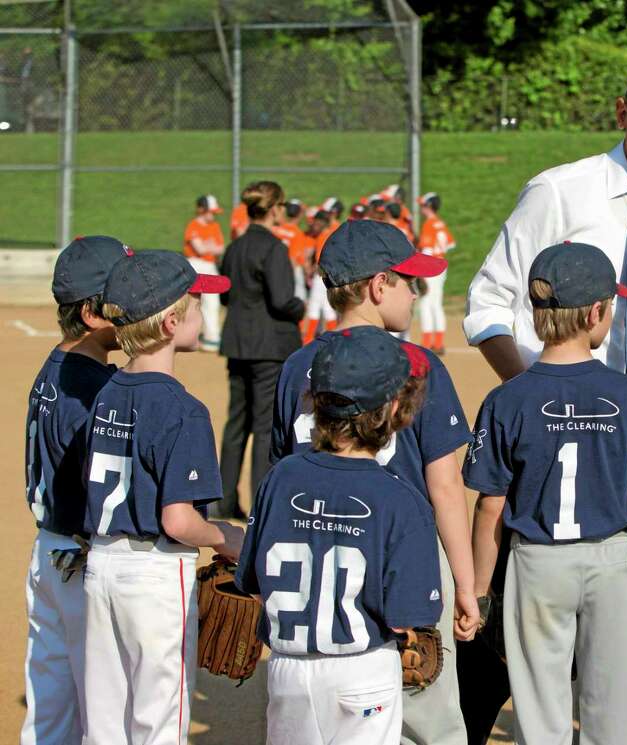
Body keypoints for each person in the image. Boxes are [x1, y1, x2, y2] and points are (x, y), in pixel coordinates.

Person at [461, 56, 627, 738]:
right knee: (506, 641)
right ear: (622, 114)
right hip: (546, 425)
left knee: (626, 650)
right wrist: (535, 394)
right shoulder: (559, 191)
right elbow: (488, 303)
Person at [270, 219, 479, 745]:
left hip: (315, 553)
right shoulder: (419, 364)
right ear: (377, 285)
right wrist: (465, 581)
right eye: (410, 281)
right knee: (427, 718)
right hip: (403, 555)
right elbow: (446, 485)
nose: (416, 292)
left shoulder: (297, 366)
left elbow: (282, 472)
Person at [465, 242, 627, 745]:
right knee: (617, 710)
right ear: (598, 313)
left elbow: (490, 506)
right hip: (609, 556)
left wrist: (477, 589)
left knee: (540, 709)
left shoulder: (506, 398)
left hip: (536, 561)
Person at [237, 326, 442, 745]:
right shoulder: (401, 497)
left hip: (285, 672)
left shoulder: (279, 478)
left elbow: (252, 581)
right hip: (361, 670)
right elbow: (412, 613)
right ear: (392, 409)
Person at [81, 250, 244, 745]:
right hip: (153, 575)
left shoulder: (105, 391)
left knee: (105, 719)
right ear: (173, 323)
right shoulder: (181, 408)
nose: (203, 315)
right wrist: (227, 536)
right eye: (197, 307)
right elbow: (178, 522)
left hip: (100, 566)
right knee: (160, 720)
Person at [22, 236, 129, 745]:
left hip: (48, 552)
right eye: (120, 294)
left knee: (51, 703)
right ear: (91, 313)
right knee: (107, 710)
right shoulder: (92, 390)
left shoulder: (56, 367)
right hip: (81, 562)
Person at [217, 181, 305, 519]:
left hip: (238, 341)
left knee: (237, 421)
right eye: (281, 206)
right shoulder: (274, 248)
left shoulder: (235, 247)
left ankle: (224, 498)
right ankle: (260, 502)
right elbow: (282, 300)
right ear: (273, 209)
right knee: (266, 425)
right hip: (269, 345)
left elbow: (225, 295)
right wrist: (301, 309)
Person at [183, 194, 226, 351]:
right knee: (193, 303)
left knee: (213, 302)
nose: (213, 215)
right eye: (210, 211)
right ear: (201, 210)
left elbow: (221, 248)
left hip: (210, 266)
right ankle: (188, 336)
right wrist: (210, 246)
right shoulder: (193, 226)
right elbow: (199, 249)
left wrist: (208, 246)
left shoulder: (214, 226)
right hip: (196, 265)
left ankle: (212, 337)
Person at [416, 192, 456, 355]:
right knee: (436, 304)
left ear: (429, 206)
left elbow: (425, 249)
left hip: (430, 266)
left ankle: (426, 343)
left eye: (423, 205)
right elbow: (451, 243)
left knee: (425, 303)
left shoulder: (429, 224)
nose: (421, 208)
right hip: (441, 265)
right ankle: (438, 343)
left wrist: (420, 271)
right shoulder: (440, 223)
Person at [302, 198, 344, 344]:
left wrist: (312, 271)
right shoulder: (336, 229)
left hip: (322, 275)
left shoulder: (325, 233)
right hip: (330, 274)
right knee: (325, 307)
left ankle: (308, 340)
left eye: (317, 221)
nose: (314, 224)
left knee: (317, 306)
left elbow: (322, 258)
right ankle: (332, 339)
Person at [272, 198, 315, 302]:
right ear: (300, 214)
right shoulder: (297, 233)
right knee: (300, 301)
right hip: (291, 270)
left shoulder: (275, 229)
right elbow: (294, 258)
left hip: (274, 268)